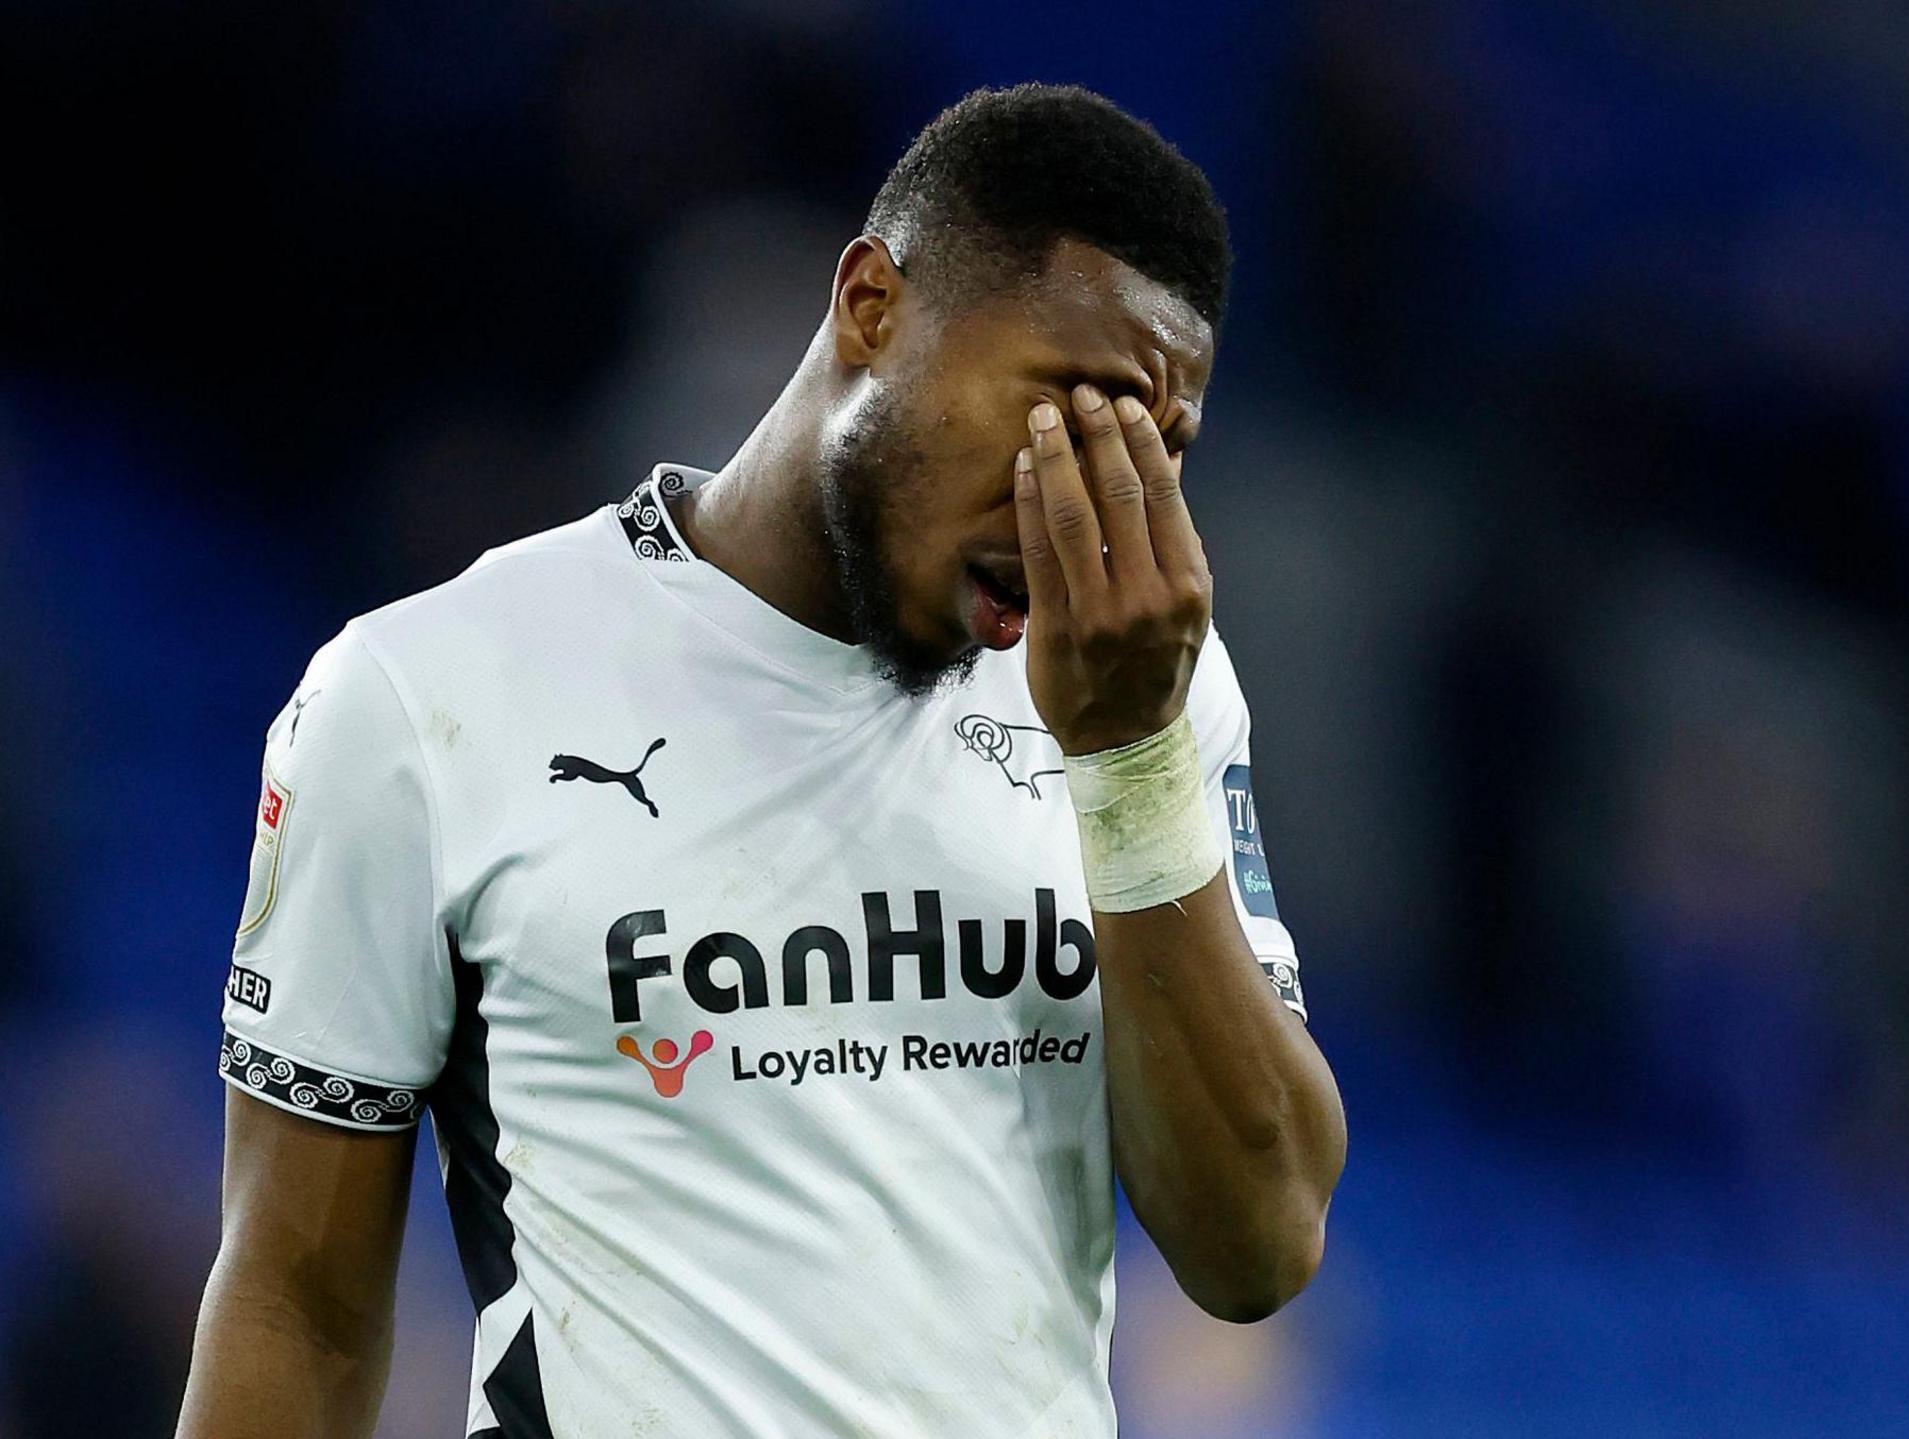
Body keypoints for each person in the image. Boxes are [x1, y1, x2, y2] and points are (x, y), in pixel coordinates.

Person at [176, 83, 1346, 1438]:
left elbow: (1256, 1249)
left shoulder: (1144, 688)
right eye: (1067, 407)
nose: (1082, 496)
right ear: (871, 305)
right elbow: (297, 1306)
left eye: (1153, 447)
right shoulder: (428, 694)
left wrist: (1130, 763)